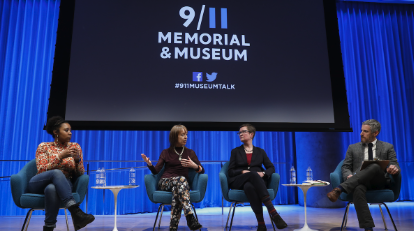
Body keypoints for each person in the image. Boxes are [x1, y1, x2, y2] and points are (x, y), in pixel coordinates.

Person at [327, 119, 400, 231]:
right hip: (358, 181)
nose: (361, 133)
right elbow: (345, 166)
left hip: (379, 181)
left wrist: (393, 169)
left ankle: (340, 188)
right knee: (358, 188)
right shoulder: (353, 148)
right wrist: (349, 176)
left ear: (375, 133)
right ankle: (368, 227)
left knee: (375, 166)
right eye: (361, 131)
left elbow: (395, 164)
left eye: (365, 131)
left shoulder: (387, 147)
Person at [28, 116, 95, 231]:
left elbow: (80, 174)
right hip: (39, 182)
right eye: (66, 130)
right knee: (56, 173)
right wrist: (60, 156)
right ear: (56, 132)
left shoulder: (75, 147)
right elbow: (42, 169)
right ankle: (75, 211)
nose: (70, 133)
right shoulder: (44, 146)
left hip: (65, 183)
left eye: (70, 130)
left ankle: (48, 227)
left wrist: (77, 160)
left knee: (51, 189)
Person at [141, 125, 204, 231]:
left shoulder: (190, 153)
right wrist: (149, 164)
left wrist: (194, 166)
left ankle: (173, 226)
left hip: (181, 185)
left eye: (186, 135)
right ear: (175, 136)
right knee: (181, 180)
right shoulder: (166, 152)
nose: (185, 137)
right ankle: (189, 216)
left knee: (178, 189)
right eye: (182, 135)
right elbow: (156, 171)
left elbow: (202, 170)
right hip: (165, 182)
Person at [228, 124, 287, 231]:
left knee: (249, 186)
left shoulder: (260, 151)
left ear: (251, 134)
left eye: (243, 132)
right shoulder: (235, 151)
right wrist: (242, 171)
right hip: (239, 180)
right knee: (252, 174)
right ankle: (273, 212)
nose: (240, 134)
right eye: (239, 132)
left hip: (256, 182)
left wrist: (263, 173)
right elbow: (230, 171)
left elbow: (271, 168)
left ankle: (261, 225)